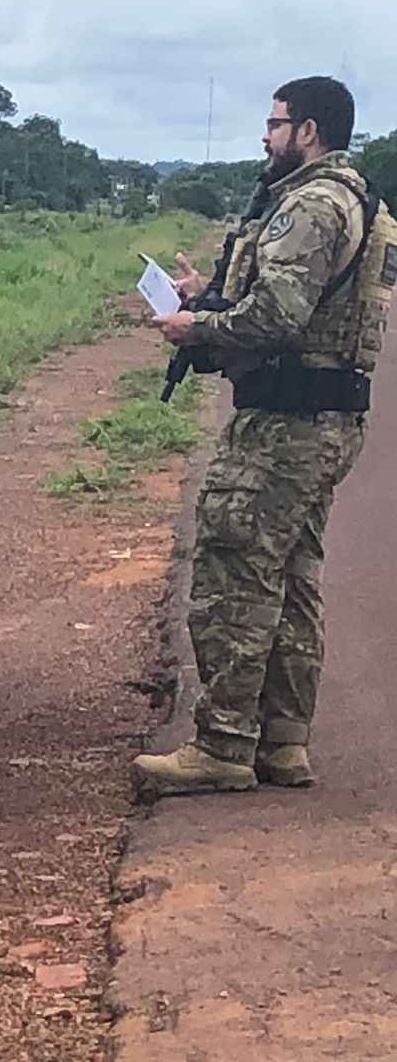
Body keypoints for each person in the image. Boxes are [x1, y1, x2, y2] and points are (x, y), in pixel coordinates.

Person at [132, 76, 392, 797]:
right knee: (290, 573)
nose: (266, 135)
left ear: (308, 131)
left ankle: (223, 745)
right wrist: (202, 296)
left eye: (276, 123)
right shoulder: (359, 202)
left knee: (234, 569)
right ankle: (283, 741)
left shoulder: (309, 206)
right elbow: (303, 309)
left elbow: (277, 319)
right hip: (325, 417)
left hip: (287, 422)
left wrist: (198, 328)